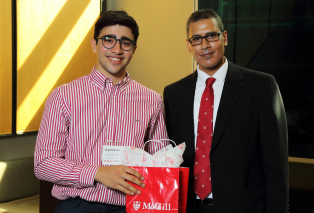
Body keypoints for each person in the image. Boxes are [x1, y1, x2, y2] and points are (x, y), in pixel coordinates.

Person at [34, 10, 168, 213]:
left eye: (125, 42)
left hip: (131, 206)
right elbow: (43, 164)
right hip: (76, 205)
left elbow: (161, 163)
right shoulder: (63, 96)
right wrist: (97, 173)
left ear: (134, 49)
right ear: (94, 44)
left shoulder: (152, 100)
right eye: (108, 40)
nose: (117, 49)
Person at [163, 9, 288, 213]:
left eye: (211, 36)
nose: (204, 45)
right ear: (189, 45)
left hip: (243, 207)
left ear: (225, 37)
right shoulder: (174, 93)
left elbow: (276, 165)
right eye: (196, 39)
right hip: (189, 206)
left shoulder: (261, 86)